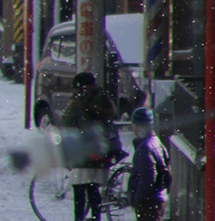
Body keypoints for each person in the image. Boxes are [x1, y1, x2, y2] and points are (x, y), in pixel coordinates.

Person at [63, 72, 118, 221]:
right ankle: (96, 217)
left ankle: (79, 218)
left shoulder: (78, 100)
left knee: (79, 189)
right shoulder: (102, 97)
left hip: (82, 151)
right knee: (93, 188)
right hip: (99, 149)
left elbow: (68, 123)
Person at [128, 107, 169, 221]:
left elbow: (148, 175)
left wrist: (139, 200)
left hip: (149, 201)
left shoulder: (144, 148)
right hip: (158, 197)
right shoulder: (156, 142)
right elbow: (165, 168)